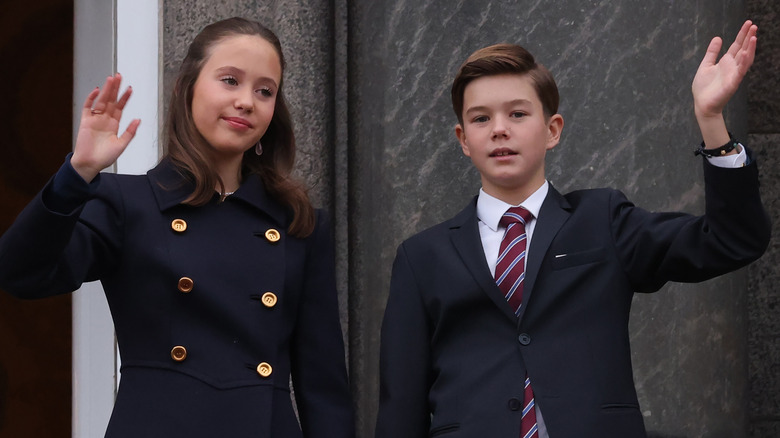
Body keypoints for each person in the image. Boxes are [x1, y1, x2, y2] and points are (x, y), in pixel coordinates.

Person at [375, 20, 770, 438]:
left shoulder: (602, 220)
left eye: (518, 113)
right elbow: (401, 403)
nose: (499, 129)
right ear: (463, 139)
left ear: (552, 130)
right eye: (480, 118)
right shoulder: (422, 256)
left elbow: (731, 241)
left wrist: (711, 121)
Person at [0, 17, 354, 438]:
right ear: (187, 88)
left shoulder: (300, 224)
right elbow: (20, 273)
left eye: (265, 91)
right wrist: (77, 174)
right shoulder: (126, 203)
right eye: (229, 80)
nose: (246, 101)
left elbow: (323, 385)